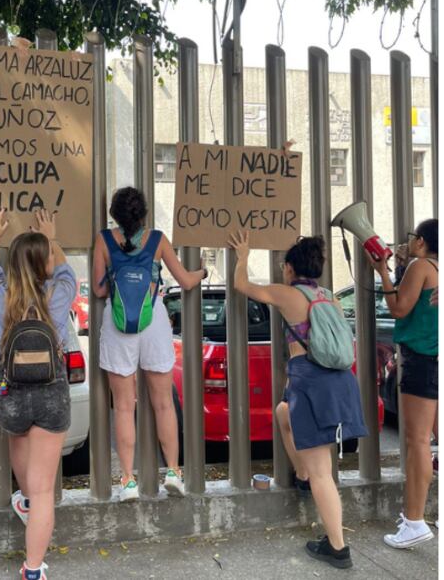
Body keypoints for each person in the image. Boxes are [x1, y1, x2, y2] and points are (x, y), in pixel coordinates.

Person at [229, 231, 365, 569]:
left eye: (283, 265)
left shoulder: (287, 295)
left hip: (312, 384)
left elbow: (242, 286)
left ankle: (337, 548)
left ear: (290, 268)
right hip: (340, 383)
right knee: (283, 412)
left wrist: (243, 255)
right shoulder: (329, 297)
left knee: (323, 473)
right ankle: (302, 475)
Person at [91, 187, 205, 499]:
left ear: (114, 215)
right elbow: (185, 280)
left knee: (125, 407)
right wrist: (204, 270)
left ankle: (128, 481)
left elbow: (100, 292)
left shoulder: (103, 240)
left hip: (117, 324)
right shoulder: (158, 239)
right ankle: (173, 471)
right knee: (164, 403)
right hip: (153, 321)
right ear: (144, 214)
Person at [0, 208, 76, 580]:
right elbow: (68, 271)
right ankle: (32, 570)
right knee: (43, 493)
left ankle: (25, 502)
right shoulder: (59, 293)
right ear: (44, 263)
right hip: (52, 394)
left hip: (12, 393)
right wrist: (51, 236)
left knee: (26, 476)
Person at [377, 218, 438, 549]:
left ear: (422, 241)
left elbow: (399, 308)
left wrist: (383, 271)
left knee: (417, 442)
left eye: (414, 236)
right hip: (436, 358)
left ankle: (414, 521)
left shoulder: (422, 265)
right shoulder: (436, 269)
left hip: (421, 359)